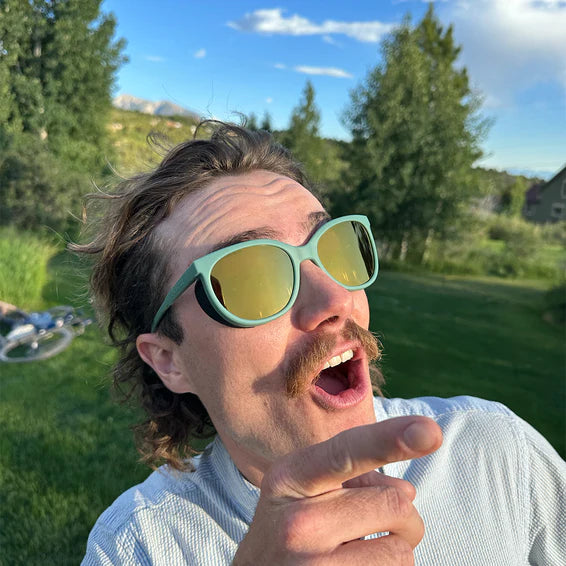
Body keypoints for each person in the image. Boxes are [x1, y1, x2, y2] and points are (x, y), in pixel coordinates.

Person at [78, 122, 565, 565]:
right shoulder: (139, 545)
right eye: (253, 278)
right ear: (169, 360)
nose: (336, 299)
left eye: (333, 248)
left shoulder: (496, 452)